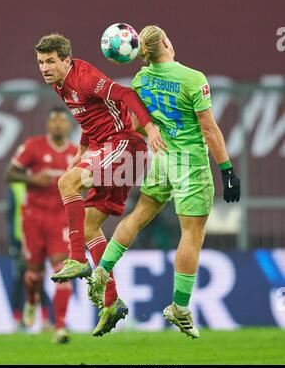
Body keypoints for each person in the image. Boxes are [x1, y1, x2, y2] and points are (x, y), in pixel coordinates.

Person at [87, 25, 241, 339]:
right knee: (191, 234)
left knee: (138, 216)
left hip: (161, 160)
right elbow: (209, 130)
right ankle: (179, 308)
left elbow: (137, 125)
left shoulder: (141, 80)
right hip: (190, 164)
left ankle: (102, 269)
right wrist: (226, 169)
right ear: (168, 42)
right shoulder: (193, 78)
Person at [34, 33, 166, 336]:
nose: (44, 67)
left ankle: (77, 259)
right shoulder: (59, 83)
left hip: (124, 145)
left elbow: (126, 95)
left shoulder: (82, 77)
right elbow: (89, 116)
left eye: (51, 61)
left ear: (66, 60)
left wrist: (149, 127)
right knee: (91, 225)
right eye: (41, 62)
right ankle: (111, 300)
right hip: (109, 148)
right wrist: (82, 149)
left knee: (67, 182)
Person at [5, 108, 77, 343]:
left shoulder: (75, 154)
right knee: (34, 274)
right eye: (53, 121)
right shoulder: (33, 146)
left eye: (62, 122)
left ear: (68, 126)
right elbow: (9, 174)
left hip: (60, 220)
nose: (58, 125)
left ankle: (60, 326)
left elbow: (84, 182)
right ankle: (32, 301)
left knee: (62, 270)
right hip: (33, 220)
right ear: (48, 125)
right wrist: (32, 179)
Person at [7, 182, 51, 331]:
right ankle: (17, 320)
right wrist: (13, 243)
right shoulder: (16, 187)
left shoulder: (39, 184)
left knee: (39, 279)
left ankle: (45, 321)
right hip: (20, 241)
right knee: (20, 280)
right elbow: (10, 217)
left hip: (37, 239)